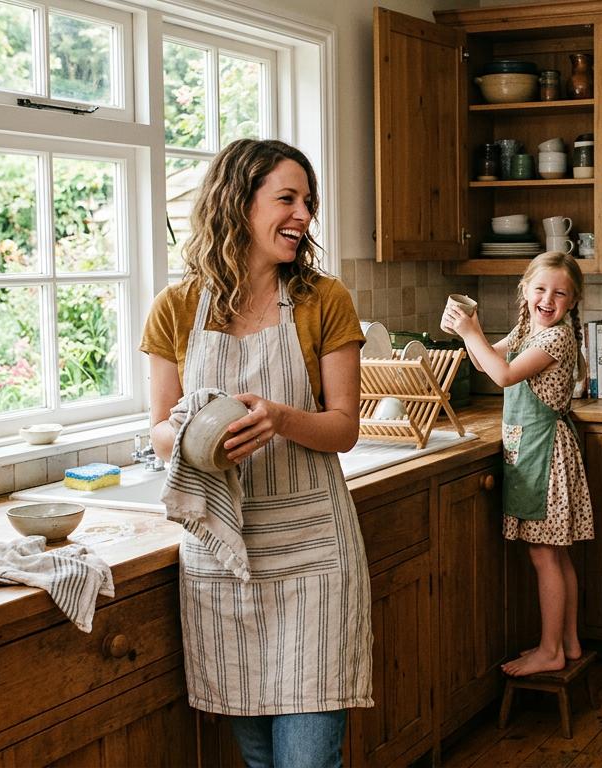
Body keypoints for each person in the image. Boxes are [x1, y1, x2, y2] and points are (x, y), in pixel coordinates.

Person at [140, 139, 370, 768]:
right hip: (224, 560)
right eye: (287, 199)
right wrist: (195, 435)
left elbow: (344, 427)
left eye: (308, 202)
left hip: (314, 558)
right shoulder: (177, 308)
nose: (303, 216)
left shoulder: (325, 300)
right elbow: (159, 430)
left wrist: (281, 418)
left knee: (306, 764)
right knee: (262, 762)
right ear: (238, 204)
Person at [441, 251, 593, 677]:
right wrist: (465, 330)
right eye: (540, 289)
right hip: (532, 451)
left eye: (560, 293)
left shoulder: (556, 338)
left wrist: (471, 332)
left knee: (545, 555)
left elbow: (505, 376)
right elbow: (487, 359)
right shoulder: (529, 327)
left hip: (545, 457)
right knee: (557, 557)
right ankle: (568, 641)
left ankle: (550, 651)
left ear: (573, 301)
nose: (548, 299)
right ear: (524, 290)